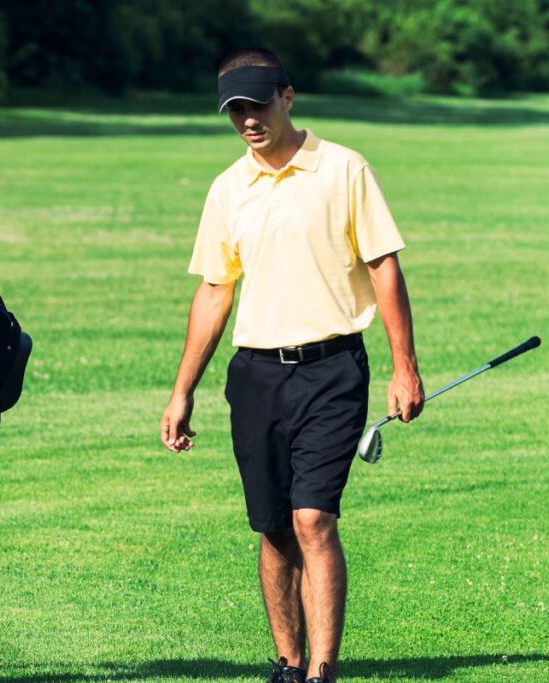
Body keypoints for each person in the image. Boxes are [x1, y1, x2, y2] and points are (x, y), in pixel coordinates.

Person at [160, 48, 425, 683]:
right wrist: (182, 392)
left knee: (313, 518)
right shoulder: (228, 189)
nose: (247, 120)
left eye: (257, 105)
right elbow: (215, 290)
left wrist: (404, 365)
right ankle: (288, 661)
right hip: (254, 376)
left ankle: (321, 672)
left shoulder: (344, 170)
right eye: (235, 111)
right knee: (275, 528)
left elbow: (383, 264)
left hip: (332, 371)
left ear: (288, 96)